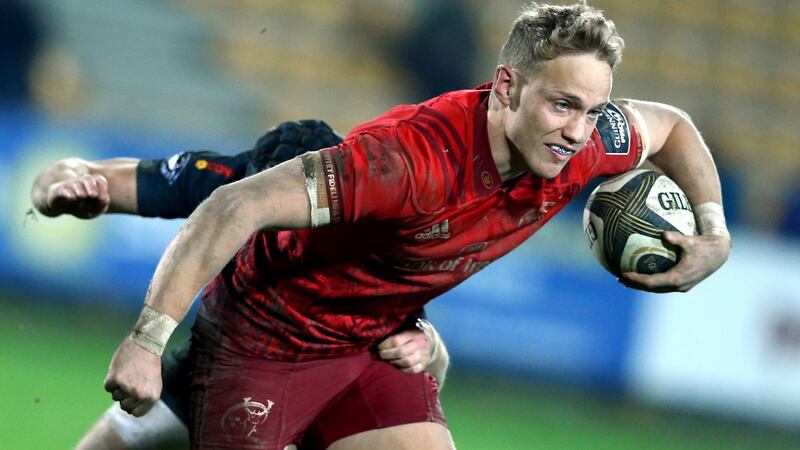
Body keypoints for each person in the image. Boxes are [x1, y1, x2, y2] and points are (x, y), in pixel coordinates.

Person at [54, 3, 732, 449]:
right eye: (562, 106)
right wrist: (145, 342)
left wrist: (714, 232)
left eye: (592, 110)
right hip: (261, 343)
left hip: (366, 348)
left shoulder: (581, 142)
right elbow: (234, 206)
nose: (578, 132)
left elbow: (671, 126)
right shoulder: (408, 161)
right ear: (505, 88)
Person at [31, 120, 450, 450]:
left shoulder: (369, 226)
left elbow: (432, 360)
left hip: (321, 382)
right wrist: (59, 190)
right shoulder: (229, 188)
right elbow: (76, 172)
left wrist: (426, 343)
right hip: (218, 364)